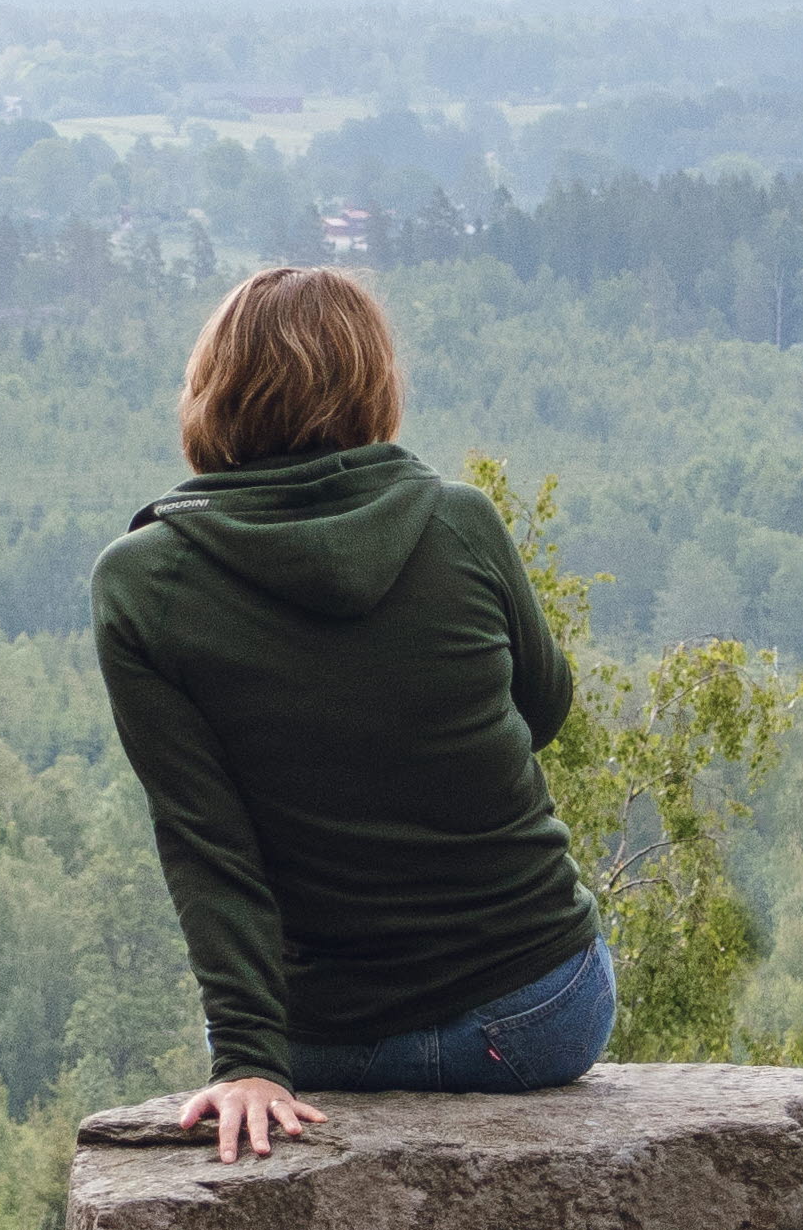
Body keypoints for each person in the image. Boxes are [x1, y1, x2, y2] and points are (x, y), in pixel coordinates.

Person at [92, 265, 611, 1165]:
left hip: (322, 1044)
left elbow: (206, 843)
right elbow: (546, 707)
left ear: (212, 391)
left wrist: (249, 1060)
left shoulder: (143, 583)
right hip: (542, 1014)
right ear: (375, 385)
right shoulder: (460, 522)